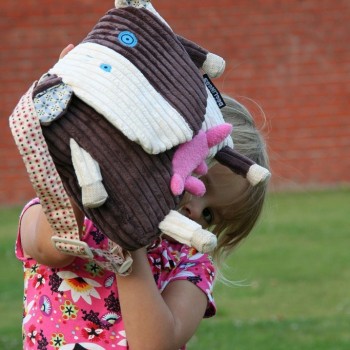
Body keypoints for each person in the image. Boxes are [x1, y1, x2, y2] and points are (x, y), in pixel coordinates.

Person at [15, 47, 269, 350]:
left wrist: (129, 242)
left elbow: (155, 344)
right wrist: (83, 132)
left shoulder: (191, 263)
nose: (195, 210)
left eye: (210, 216)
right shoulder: (66, 206)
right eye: (199, 182)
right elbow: (48, 251)